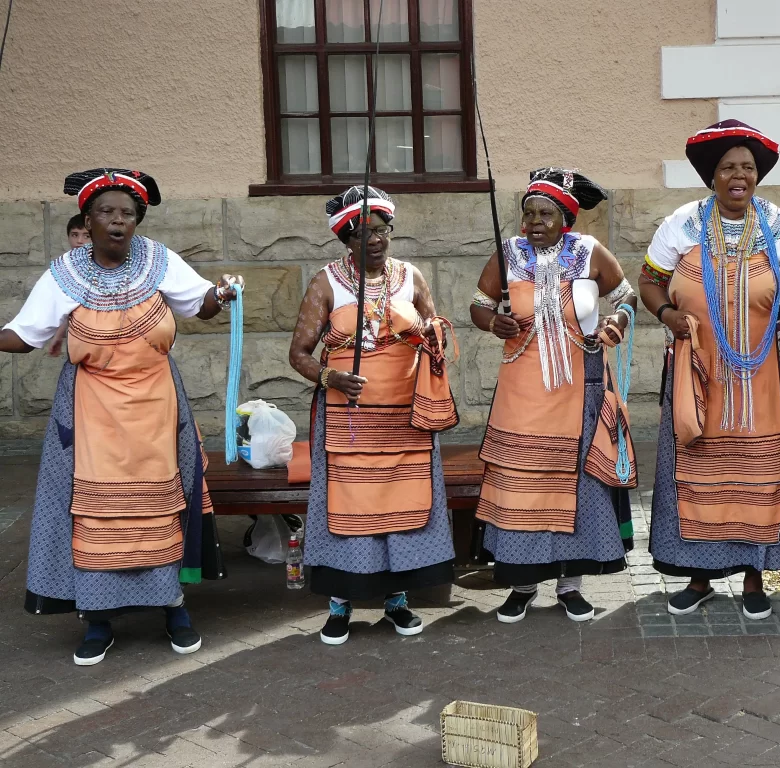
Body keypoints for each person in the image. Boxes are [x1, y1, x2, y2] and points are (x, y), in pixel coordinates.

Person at [0, 168, 243, 665]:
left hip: (158, 409)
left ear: (138, 221)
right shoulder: (63, 275)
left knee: (161, 506)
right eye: (106, 212)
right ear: (86, 220)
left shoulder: (160, 262)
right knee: (97, 511)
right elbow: (24, 336)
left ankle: (173, 608)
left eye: (127, 214)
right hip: (92, 415)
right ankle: (98, 619)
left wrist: (222, 293)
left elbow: (202, 306)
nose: (117, 221)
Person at [638, 120, 780, 621]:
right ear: (712, 177)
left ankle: (754, 578)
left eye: (747, 167)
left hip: (766, 374)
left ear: (757, 175)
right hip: (698, 373)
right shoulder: (682, 223)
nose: (738, 175)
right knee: (700, 469)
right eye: (727, 168)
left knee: (758, 474)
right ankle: (699, 579)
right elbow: (649, 281)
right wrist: (667, 314)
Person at [288, 185, 457, 646]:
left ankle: (397, 601)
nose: (375, 241)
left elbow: (436, 334)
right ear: (346, 240)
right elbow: (299, 354)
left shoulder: (411, 278)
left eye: (381, 231)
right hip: (350, 422)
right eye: (363, 234)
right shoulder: (326, 283)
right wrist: (330, 378)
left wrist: (430, 335)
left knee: (400, 505)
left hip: (406, 418)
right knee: (349, 506)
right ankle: (340, 605)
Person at [471, 167, 638, 624]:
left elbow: (626, 297)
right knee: (522, 485)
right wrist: (493, 323)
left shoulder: (589, 253)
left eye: (546, 213)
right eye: (529, 213)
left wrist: (616, 323)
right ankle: (523, 585)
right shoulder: (508, 255)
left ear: (566, 217)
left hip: (580, 389)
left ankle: (571, 586)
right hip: (522, 393)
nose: (535, 221)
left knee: (577, 485)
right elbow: (480, 305)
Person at [46, 215, 93, 357]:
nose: (79, 241)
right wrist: (59, 335)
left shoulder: (105, 265)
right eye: (74, 235)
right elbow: (69, 307)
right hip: (78, 341)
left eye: (86, 236)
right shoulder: (66, 269)